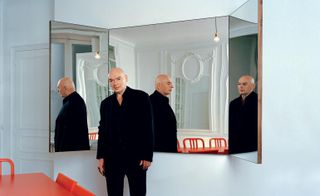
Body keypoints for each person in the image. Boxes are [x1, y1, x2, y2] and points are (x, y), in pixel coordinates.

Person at [96, 67, 154, 196]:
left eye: (118, 78)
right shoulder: (105, 104)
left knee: (138, 193)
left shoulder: (141, 97)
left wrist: (147, 155)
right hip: (112, 159)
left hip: (136, 157)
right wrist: (101, 157)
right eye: (111, 80)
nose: (115, 83)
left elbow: (148, 127)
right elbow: (103, 131)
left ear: (126, 78)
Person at [54, 77, 90, 152]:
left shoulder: (75, 103)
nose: (58, 90)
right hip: (68, 153)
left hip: (71, 154)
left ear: (65, 88)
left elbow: (71, 132)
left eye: (59, 88)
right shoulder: (72, 101)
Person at [229, 75, 258, 154]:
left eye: (244, 84)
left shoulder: (259, 101)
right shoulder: (233, 103)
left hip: (252, 146)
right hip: (234, 146)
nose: (240, 87)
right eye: (239, 84)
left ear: (253, 86)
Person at [150, 74, 177, 153]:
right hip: (158, 153)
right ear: (158, 86)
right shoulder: (150, 102)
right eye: (168, 83)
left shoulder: (164, 102)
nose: (172, 86)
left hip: (167, 152)